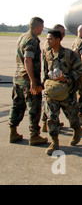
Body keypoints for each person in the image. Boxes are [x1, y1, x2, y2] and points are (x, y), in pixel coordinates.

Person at [43, 30, 82, 155]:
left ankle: (77, 129)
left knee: (72, 117)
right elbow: (46, 72)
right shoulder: (47, 54)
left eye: (50, 39)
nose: (47, 41)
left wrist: (65, 78)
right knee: (52, 118)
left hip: (67, 93)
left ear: (58, 40)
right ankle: (54, 142)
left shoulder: (69, 54)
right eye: (47, 39)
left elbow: (79, 70)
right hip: (52, 93)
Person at [8, 17, 48, 146]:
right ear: (37, 27)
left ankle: (13, 132)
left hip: (18, 79)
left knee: (17, 106)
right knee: (34, 108)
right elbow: (27, 60)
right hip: (27, 80)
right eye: (42, 27)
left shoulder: (22, 37)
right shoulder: (32, 40)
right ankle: (34, 135)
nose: (43, 29)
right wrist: (33, 82)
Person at [41, 24, 66, 133]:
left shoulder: (49, 43)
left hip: (50, 77)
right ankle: (46, 123)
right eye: (62, 33)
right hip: (51, 78)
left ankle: (46, 123)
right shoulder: (50, 46)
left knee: (50, 102)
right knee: (50, 102)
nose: (63, 36)